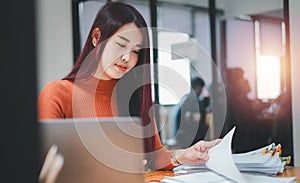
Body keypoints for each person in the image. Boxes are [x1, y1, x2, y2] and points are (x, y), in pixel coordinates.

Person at [38, 2, 220, 170]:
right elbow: (46, 169)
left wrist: (183, 155)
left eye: (135, 51)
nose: (127, 58)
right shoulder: (57, 94)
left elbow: (155, 156)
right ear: (96, 38)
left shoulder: (135, 96)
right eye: (120, 45)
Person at [174, 77, 211, 148]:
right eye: (201, 89)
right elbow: (201, 109)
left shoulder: (188, 98)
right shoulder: (192, 99)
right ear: (198, 88)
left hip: (182, 134)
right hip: (187, 136)